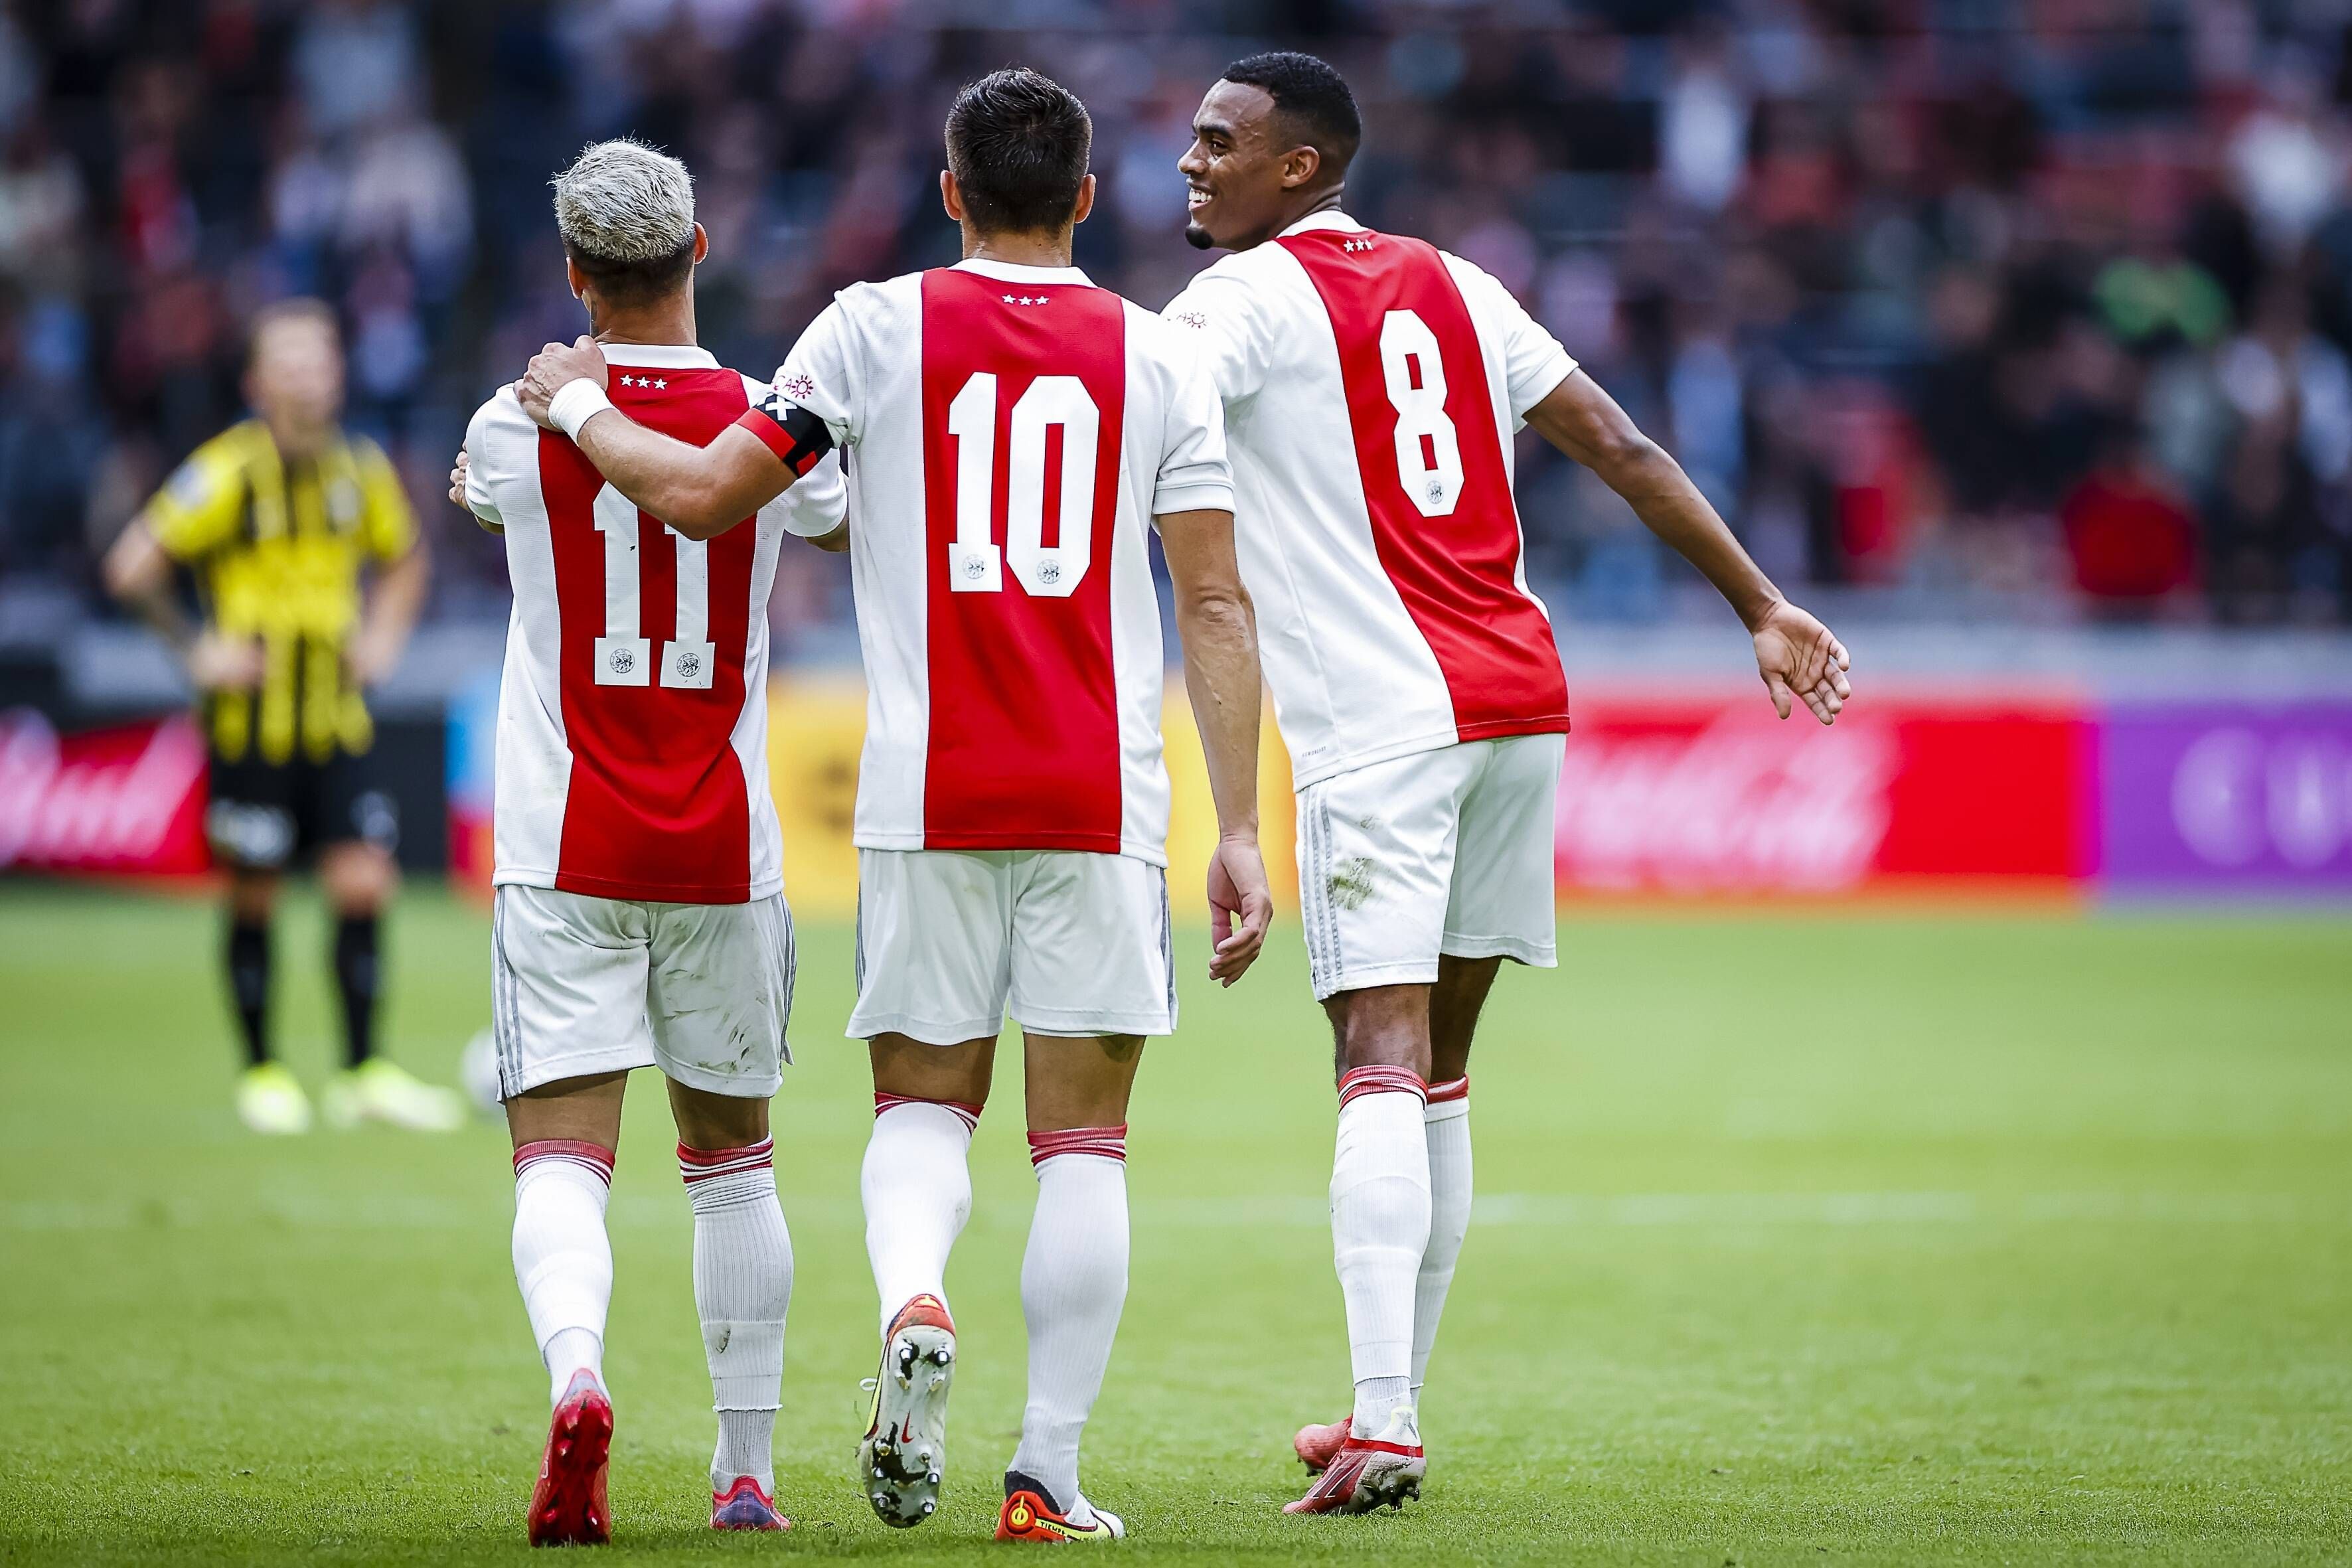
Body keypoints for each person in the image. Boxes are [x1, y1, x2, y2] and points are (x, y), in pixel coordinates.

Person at [511, 68, 1273, 1545]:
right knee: (1083, 1146)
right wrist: (1237, 824)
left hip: (927, 789)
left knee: (922, 1107)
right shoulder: (1155, 354)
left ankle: (913, 1293)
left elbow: (703, 495)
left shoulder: (867, 327)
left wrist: (586, 404)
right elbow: (1216, 601)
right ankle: (1043, 1469)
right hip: (1097, 795)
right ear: (1088, 200)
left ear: (946, 192)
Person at [1164, 52, 1854, 1515]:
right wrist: (1759, 603)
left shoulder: (1225, 307)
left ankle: (1387, 1416)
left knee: (1377, 1042)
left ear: (1300, 166)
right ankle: (1382, 1402)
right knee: (1441, 1069)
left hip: (1382, 720)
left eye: (1220, 143)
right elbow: (1617, 438)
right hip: (1518, 699)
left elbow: (1133, 427)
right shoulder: (1459, 283)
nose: (1191, 162)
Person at [452, 138, 849, 1543]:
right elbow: (834, 514)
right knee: (732, 1157)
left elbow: (479, 492)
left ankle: (577, 1374)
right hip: (722, 847)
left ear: (574, 274)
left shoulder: (518, 423)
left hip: (565, 842)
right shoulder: (766, 415)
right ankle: (744, 1472)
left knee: (560, 1153)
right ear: (700, 249)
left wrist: (566, 410)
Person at [104, 299, 459, 1137]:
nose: (309, 374)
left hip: (338, 721)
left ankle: (362, 1070)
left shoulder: (359, 470)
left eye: (321, 358)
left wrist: (382, 639)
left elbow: (407, 561)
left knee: (364, 881)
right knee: (255, 894)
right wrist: (197, 653)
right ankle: (263, 1071)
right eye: (290, 360)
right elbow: (130, 566)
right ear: (258, 381)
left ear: (339, 373)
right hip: (250, 725)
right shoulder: (227, 471)